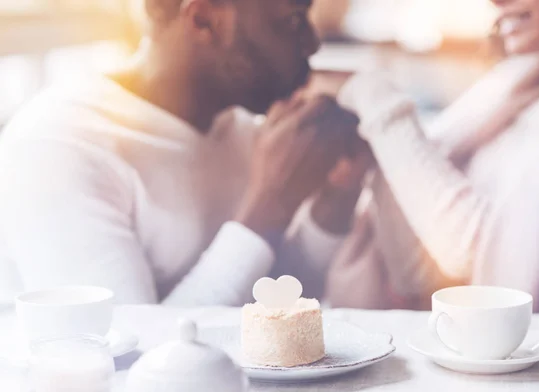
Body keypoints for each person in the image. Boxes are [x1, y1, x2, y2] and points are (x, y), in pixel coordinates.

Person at [0, 0, 370, 305]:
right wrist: (268, 203)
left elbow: (266, 310)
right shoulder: (60, 149)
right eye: (291, 21)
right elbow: (131, 366)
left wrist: (334, 203)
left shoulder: (238, 125)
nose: (313, 43)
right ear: (202, 20)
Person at [327, 0, 539, 313]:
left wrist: (376, 100)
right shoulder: (498, 106)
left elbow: (480, 261)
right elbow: (419, 277)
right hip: (442, 343)